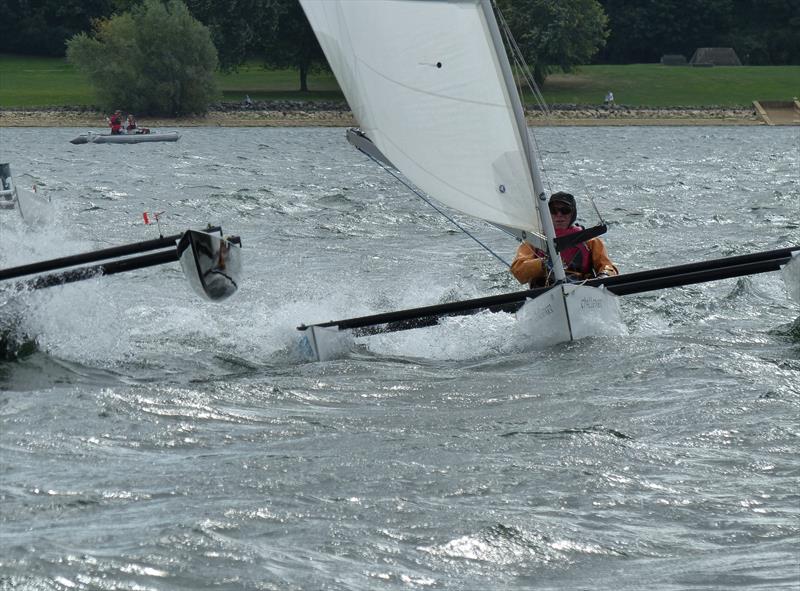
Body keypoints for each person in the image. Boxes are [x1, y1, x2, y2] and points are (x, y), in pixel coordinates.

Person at [510, 191, 618, 288]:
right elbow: (518, 271)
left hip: (582, 289)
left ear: (573, 213)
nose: (559, 215)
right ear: (547, 214)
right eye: (553, 210)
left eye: (565, 210)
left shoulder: (590, 241)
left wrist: (605, 274)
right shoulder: (533, 241)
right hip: (544, 291)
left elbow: (607, 266)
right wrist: (543, 264)